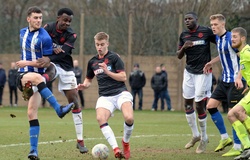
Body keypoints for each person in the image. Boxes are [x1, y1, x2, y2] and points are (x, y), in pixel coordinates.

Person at [16, 6, 74, 160]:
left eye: (40, 18)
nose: (38, 21)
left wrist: (25, 62)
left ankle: (33, 151)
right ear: (28, 19)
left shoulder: (45, 38)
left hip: (37, 77)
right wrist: (25, 65)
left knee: (31, 113)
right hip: (24, 75)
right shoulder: (22, 32)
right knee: (37, 79)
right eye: (35, 18)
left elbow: (44, 63)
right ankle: (58, 109)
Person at [37, 8, 88, 154]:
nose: (67, 23)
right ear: (58, 18)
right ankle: (33, 86)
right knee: (50, 70)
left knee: (74, 101)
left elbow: (62, 54)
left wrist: (50, 54)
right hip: (51, 63)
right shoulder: (47, 28)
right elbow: (41, 44)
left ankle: (80, 141)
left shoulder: (72, 35)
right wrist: (49, 54)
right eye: (65, 20)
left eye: (69, 21)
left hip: (65, 65)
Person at [77, 32, 134, 159]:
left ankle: (125, 142)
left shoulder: (114, 57)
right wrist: (84, 86)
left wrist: (107, 71)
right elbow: (88, 80)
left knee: (129, 118)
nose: (99, 47)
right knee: (100, 119)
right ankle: (116, 149)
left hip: (120, 93)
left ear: (107, 44)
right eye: (97, 44)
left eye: (102, 44)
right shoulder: (92, 62)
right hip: (105, 96)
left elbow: (123, 77)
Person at [203, 14, 245, 157]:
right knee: (210, 106)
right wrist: (211, 62)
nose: (213, 27)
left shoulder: (231, 39)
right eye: (212, 25)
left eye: (215, 24)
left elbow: (243, 59)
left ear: (223, 25)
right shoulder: (217, 39)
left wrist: (239, 77)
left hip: (235, 82)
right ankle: (225, 138)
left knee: (232, 113)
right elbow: (223, 55)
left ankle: (238, 146)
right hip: (224, 81)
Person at [176, 12, 215, 153]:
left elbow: (220, 44)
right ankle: (196, 135)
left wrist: (213, 62)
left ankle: (204, 138)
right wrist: (184, 47)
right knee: (187, 104)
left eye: (190, 18)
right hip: (189, 72)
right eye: (185, 19)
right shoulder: (183, 35)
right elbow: (179, 56)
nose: (187, 21)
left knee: (199, 106)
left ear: (196, 20)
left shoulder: (205, 31)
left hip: (203, 73)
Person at [229, 27, 250, 160]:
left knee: (238, 112)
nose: (232, 39)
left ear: (243, 38)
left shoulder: (247, 52)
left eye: (235, 37)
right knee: (231, 115)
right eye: (231, 37)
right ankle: (247, 148)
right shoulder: (242, 53)